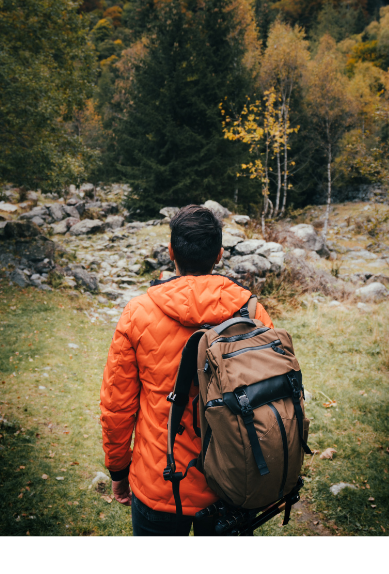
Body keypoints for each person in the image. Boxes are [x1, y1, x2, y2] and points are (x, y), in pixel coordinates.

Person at [99, 204, 275, 535]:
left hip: (160, 482)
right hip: (235, 482)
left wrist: (119, 471)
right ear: (219, 254)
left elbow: (116, 406)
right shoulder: (252, 311)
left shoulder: (139, 312)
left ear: (170, 252)